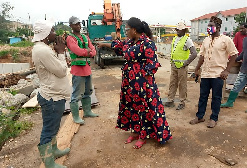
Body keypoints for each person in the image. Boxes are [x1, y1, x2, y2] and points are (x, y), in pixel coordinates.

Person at [99, 17, 172, 149]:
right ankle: (135, 131)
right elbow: (117, 46)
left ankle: (143, 135)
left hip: (143, 84)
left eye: (127, 29)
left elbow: (153, 64)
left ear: (133, 30)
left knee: (143, 109)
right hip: (128, 82)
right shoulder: (129, 42)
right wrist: (103, 44)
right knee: (131, 106)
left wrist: (142, 78)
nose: (125, 31)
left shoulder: (147, 43)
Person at [32, 20, 70, 168]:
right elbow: (61, 71)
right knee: (49, 129)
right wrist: (60, 53)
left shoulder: (43, 49)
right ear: (46, 34)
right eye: (53, 30)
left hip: (54, 95)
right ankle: (49, 162)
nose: (55, 33)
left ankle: (53, 151)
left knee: (53, 126)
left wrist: (59, 54)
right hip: (52, 97)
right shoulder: (43, 50)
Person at [189, 16, 238, 128]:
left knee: (216, 97)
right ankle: (200, 116)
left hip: (218, 74)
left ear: (218, 27)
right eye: (208, 26)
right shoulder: (206, 40)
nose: (209, 28)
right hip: (206, 73)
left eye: (211, 26)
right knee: (203, 96)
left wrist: (227, 70)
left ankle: (213, 118)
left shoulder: (225, 40)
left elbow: (235, 54)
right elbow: (201, 56)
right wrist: (197, 69)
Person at [66, 16, 99, 124]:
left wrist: (90, 51)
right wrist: (88, 51)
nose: (78, 26)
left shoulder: (85, 37)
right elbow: (78, 51)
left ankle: (87, 111)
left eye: (79, 23)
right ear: (71, 25)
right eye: (75, 24)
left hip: (87, 68)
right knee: (76, 94)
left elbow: (93, 50)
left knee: (88, 91)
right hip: (78, 70)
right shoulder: (70, 38)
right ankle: (75, 117)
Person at [164, 22, 197, 110]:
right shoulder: (175, 39)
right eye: (177, 29)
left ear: (184, 30)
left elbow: (194, 53)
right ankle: (170, 100)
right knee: (173, 83)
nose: (178, 31)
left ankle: (182, 102)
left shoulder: (187, 40)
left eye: (180, 29)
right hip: (174, 65)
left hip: (182, 66)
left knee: (182, 84)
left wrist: (186, 63)